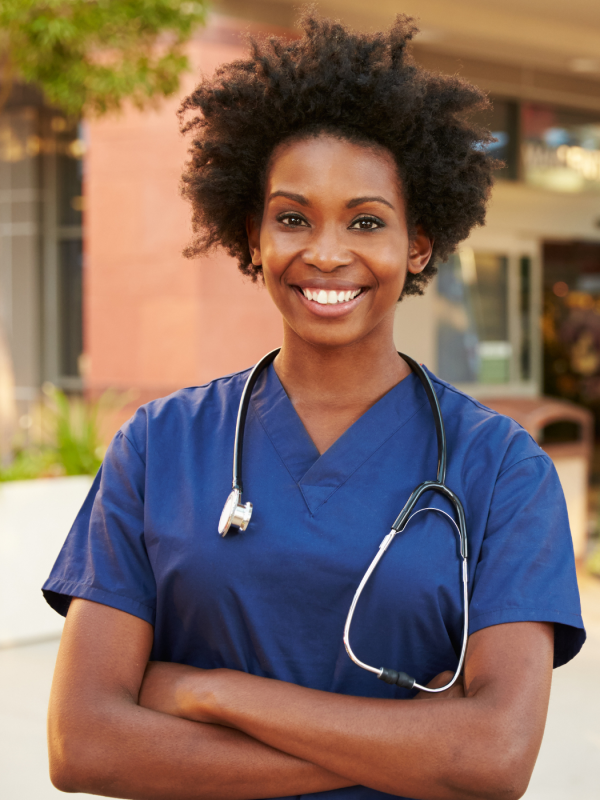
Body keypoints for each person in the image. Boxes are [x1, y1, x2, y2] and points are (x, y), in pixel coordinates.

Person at [44, 13, 585, 800]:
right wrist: (416, 745)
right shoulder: (159, 446)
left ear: (419, 245)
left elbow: (492, 759)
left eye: (367, 221)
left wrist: (209, 693)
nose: (326, 253)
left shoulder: (501, 469)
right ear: (253, 236)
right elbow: (84, 743)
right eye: (292, 217)